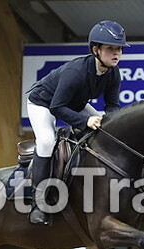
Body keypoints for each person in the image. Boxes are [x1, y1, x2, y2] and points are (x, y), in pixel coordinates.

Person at [25, 20, 129, 224]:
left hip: (74, 103)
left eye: (119, 49)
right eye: (111, 49)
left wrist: (113, 124)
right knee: (47, 140)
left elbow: (112, 106)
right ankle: (38, 202)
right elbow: (57, 107)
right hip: (44, 103)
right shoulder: (77, 71)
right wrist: (86, 120)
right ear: (95, 50)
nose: (116, 54)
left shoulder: (113, 72)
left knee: (104, 131)